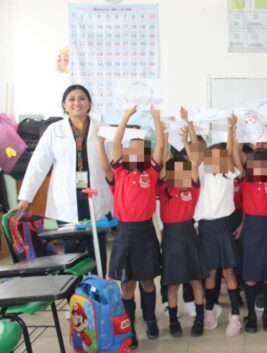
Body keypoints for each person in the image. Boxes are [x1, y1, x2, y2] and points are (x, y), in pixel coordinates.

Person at [13, 84, 112, 276]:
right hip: (67, 197)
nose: (77, 103)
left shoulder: (102, 129)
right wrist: (25, 198)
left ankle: (97, 290)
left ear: (89, 103)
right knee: (72, 250)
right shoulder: (53, 130)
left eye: (82, 98)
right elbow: (37, 165)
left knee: (97, 247)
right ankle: (74, 295)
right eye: (72, 99)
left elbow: (112, 164)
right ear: (64, 105)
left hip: (95, 194)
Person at [104, 105, 164, 349]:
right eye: (132, 149)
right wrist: (125, 116)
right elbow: (116, 142)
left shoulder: (150, 172)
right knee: (127, 284)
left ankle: (150, 320)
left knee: (148, 281)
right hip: (124, 232)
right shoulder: (120, 172)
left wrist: (157, 120)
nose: (136, 153)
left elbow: (160, 145)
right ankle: (129, 328)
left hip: (145, 231)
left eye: (141, 150)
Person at [156, 117, 207, 338]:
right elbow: (161, 157)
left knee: (196, 279)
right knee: (173, 282)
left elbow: (194, 161)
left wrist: (187, 139)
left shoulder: (192, 187)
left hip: (189, 234)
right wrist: (165, 135)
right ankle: (174, 320)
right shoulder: (163, 188)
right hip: (171, 237)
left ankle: (200, 319)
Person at [194, 116, 242, 336]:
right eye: (211, 157)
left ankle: (235, 315)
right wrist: (189, 126)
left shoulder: (228, 175)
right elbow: (197, 150)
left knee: (228, 271)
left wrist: (231, 129)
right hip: (205, 227)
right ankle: (210, 309)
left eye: (219, 157)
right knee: (210, 272)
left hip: (223, 226)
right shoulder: (203, 174)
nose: (215, 160)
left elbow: (230, 153)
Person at [237, 125, 267, 333]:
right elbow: (235, 155)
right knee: (249, 276)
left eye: (264, 163)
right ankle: (251, 316)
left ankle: (266, 315)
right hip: (250, 230)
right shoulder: (245, 180)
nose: (259, 167)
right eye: (255, 163)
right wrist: (237, 133)